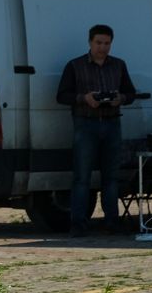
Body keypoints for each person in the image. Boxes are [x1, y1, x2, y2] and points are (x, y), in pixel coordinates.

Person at [56, 23, 137, 237]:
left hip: (112, 123)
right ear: (90, 42)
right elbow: (61, 95)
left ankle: (112, 221)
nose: (102, 47)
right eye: (99, 43)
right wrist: (84, 98)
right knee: (82, 177)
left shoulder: (118, 65)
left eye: (107, 43)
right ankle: (79, 223)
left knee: (111, 177)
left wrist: (120, 98)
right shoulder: (75, 65)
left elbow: (131, 92)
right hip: (86, 123)